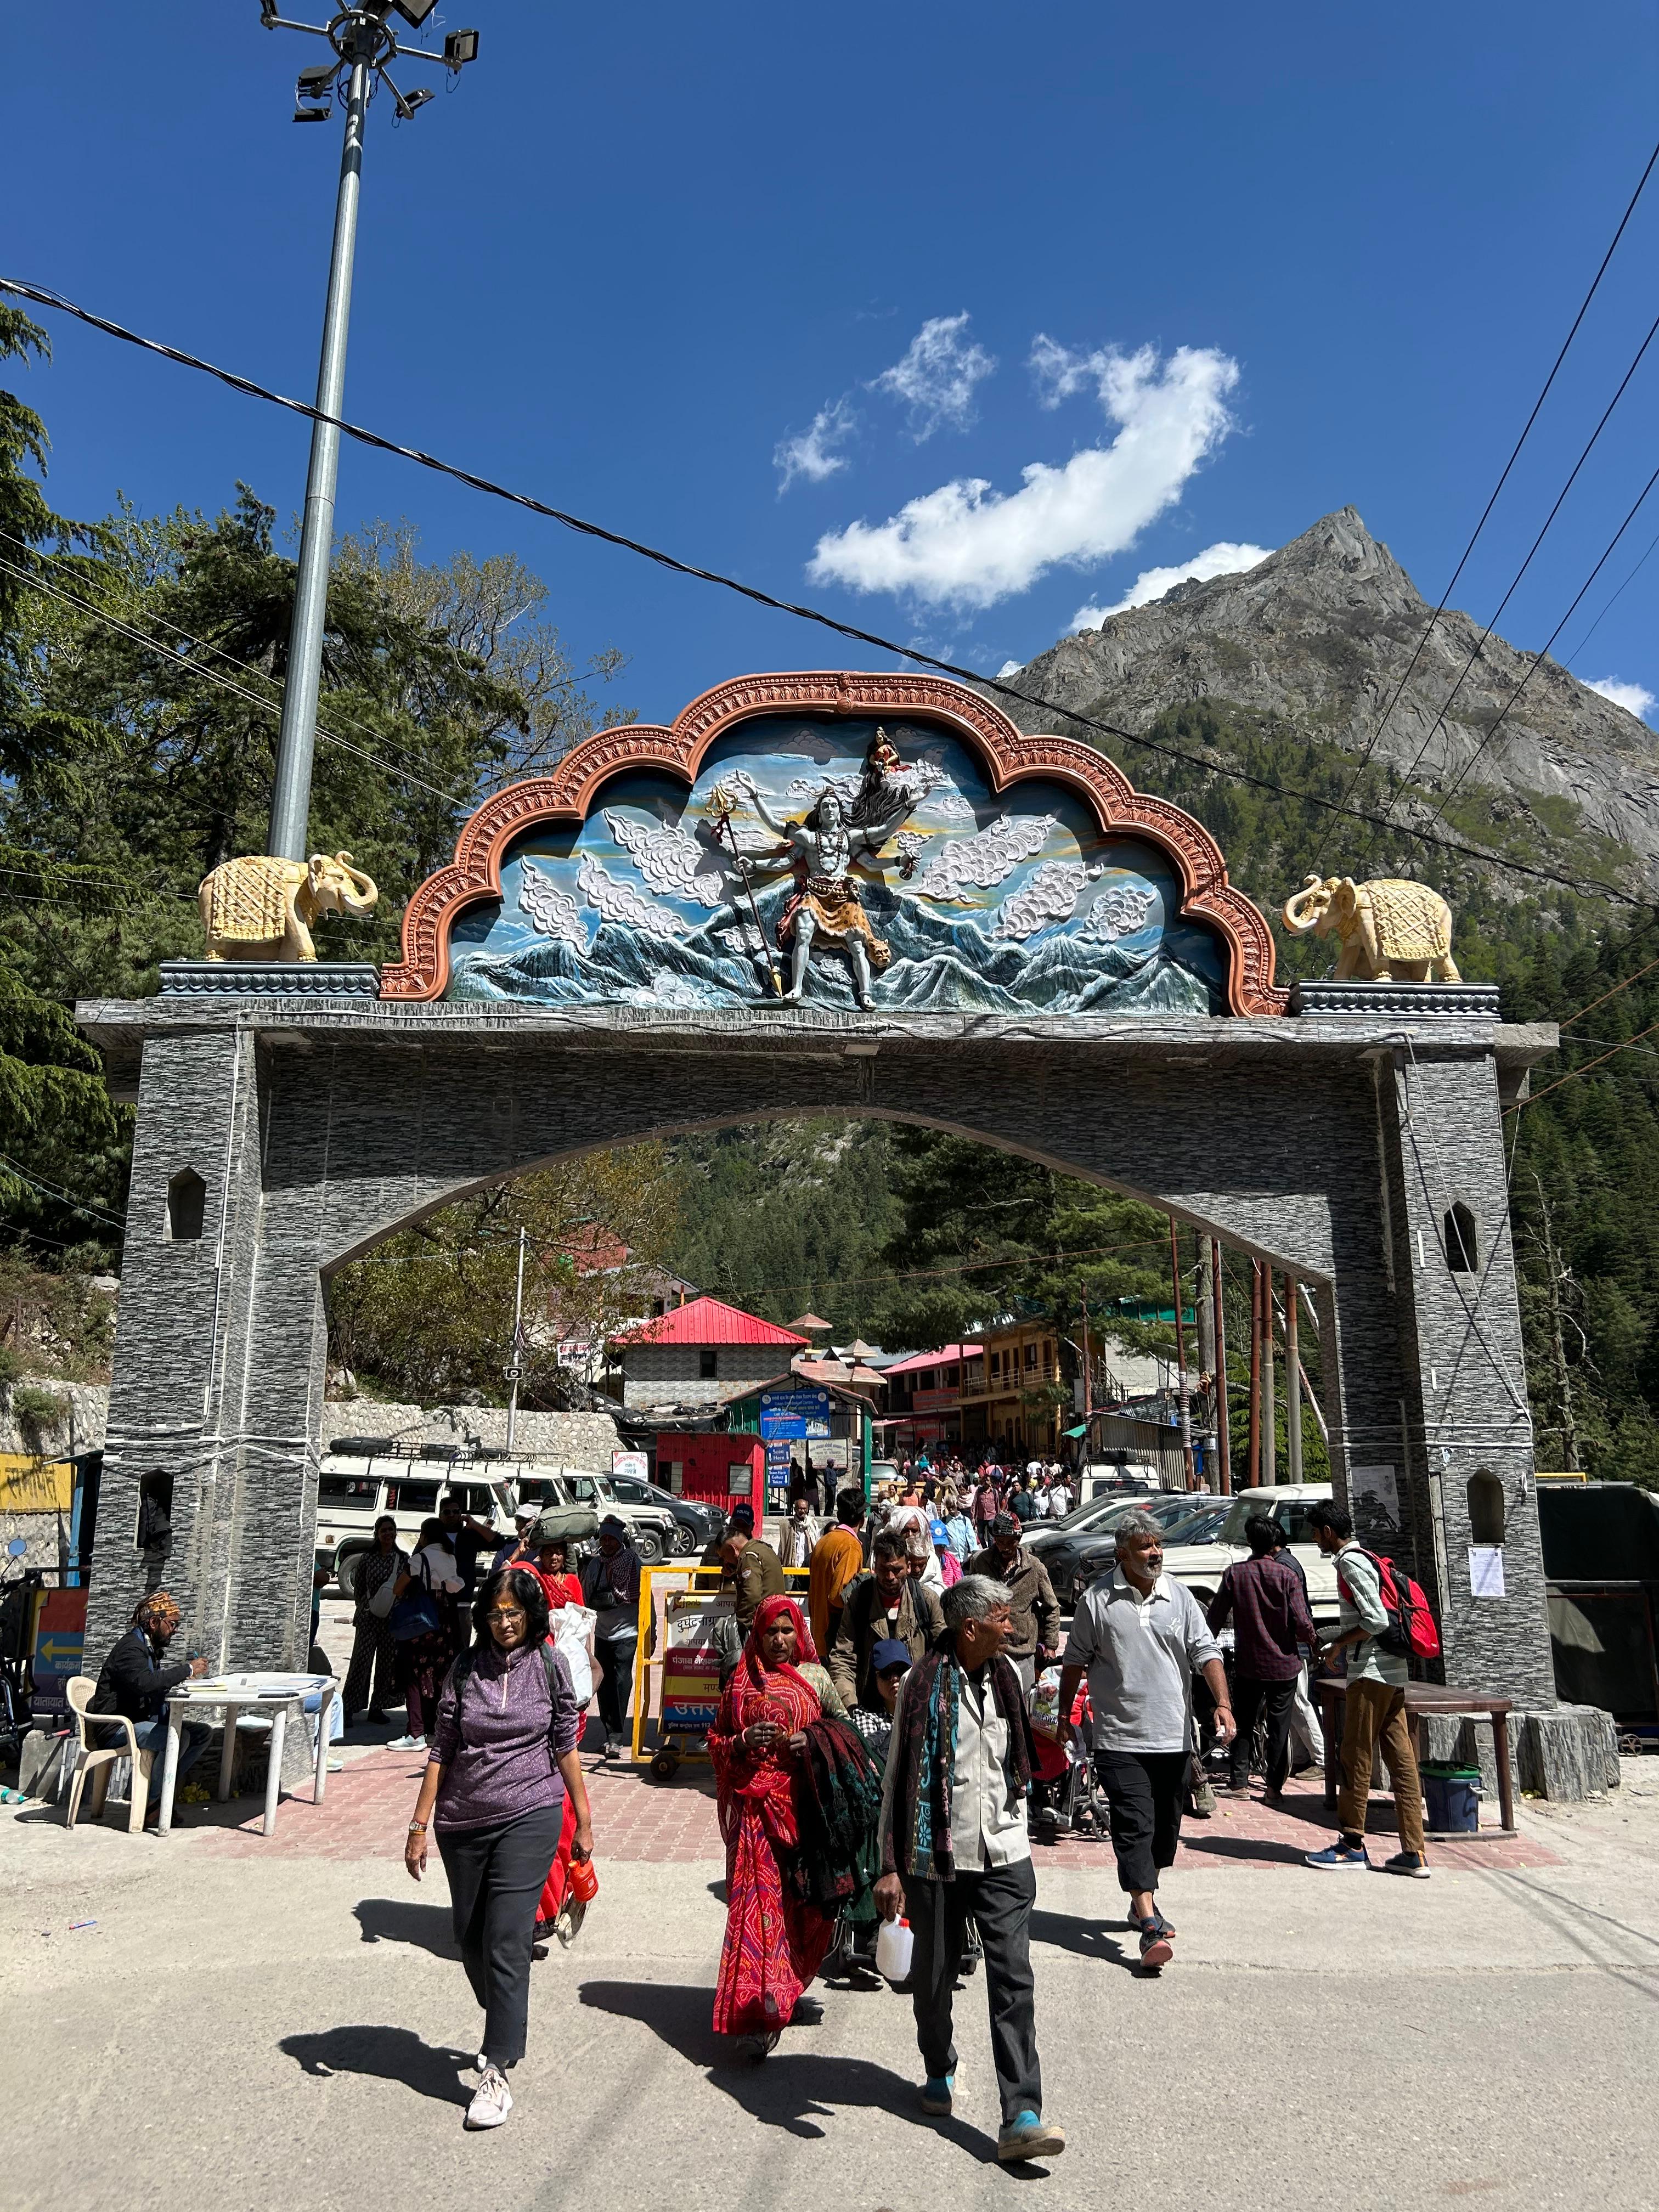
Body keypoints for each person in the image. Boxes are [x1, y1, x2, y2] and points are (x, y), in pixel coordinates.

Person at [875, 1576, 1065, 2165]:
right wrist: (889, 1866)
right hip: (938, 1856)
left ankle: (1022, 2113)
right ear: (971, 1627)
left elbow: (1031, 1753)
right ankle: (939, 2064)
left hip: (1005, 1852)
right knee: (932, 1980)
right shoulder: (920, 1685)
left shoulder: (1012, 1677)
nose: (1014, 1626)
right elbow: (897, 1778)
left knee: (1013, 1977)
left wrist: (1051, 1726)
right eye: (1003, 1618)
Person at [405, 1566, 592, 2130]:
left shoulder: (549, 1666)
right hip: (462, 1822)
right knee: (470, 1939)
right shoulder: (465, 1670)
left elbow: (564, 1746)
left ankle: (498, 2069)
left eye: (514, 1613)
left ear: (531, 1615)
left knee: (508, 1939)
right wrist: (419, 1824)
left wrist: (584, 1820)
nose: (505, 1622)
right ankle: (507, 2016)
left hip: (531, 1813)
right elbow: (442, 1747)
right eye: (495, 1613)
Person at [1056, 1509, 1235, 1971]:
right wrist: (1063, 1715)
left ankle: (1141, 1900)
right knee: (1134, 1824)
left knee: (1162, 1835)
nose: (1156, 1553)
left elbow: (1206, 1651)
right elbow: (1074, 1662)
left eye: (1158, 1545)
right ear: (1123, 1554)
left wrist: (1223, 1703)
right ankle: (1150, 1924)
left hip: (1174, 1737)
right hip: (1119, 1737)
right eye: (1145, 1547)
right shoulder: (1096, 1602)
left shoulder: (1179, 1596)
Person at [707, 1594, 849, 2057]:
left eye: (789, 1631)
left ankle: (786, 1987)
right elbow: (716, 1738)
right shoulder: (740, 1682)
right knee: (758, 1910)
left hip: (803, 1811)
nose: (781, 1640)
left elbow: (845, 1733)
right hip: (755, 1811)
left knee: (803, 1909)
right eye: (772, 1632)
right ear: (758, 1634)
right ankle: (757, 2013)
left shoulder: (816, 1679)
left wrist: (810, 1740)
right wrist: (742, 1741)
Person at [1303, 1503, 1429, 1877]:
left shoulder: (1350, 1562)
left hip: (1370, 1674)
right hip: (1393, 1674)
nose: (1314, 1539)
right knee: (1402, 1762)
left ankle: (1352, 1843)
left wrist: (1340, 1644)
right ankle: (1414, 1852)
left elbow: (1374, 1619)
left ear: (1327, 1531)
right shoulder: (1369, 1556)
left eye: (1315, 1532)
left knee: (1355, 1755)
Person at [1206, 1515, 1316, 1805]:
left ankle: (1239, 1783)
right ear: (1275, 1543)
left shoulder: (1235, 1574)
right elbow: (1303, 1624)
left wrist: (1203, 1648)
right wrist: (1312, 1641)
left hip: (1248, 1664)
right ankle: (1273, 1790)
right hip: (1284, 1665)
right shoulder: (1287, 1576)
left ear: (1250, 1542)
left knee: (1242, 1720)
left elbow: (1214, 1618)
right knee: (1279, 1727)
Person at [89, 1592, 210, 1822]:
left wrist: (178, 1680)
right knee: (176, 1739)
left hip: (139, 1721)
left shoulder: (148, 1647)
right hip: (117, 1727)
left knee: (201, 1734)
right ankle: (151, 1803)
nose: (174, 1630)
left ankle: (156, 1791)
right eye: (172, 1624)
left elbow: (151, 1683)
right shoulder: (130, 1649)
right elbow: (145, 1684)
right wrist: (187, 1669)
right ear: (154, 1622)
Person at [828, 1530, 945, 1712]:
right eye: (884, 1570)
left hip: (916, 1706)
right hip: (868, 1707)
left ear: (908, 1566)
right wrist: (850, 1706)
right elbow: (843, 1657)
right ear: (875, 1566)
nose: (890, 1577)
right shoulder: (859, 1600)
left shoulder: (927, 1601)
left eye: (896, 1570)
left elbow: (943, 1656)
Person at [388, 1517, 466, 1752]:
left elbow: (397, 1588)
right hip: (445, 1624)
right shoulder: (450, 1557)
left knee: (414, 1676)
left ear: (424, 1536)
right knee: (439, 1676)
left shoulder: (418, 1559)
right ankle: (433, 1729)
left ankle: (415, 1732)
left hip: (421, 1625)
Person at [966, 1513, 1061, 1692]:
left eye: (1011, 1542)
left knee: (1022, 1707)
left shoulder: (1034, 1567)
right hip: (989, 1650)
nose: (1005, 1547)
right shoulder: (980, 1562)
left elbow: (1051, 1607)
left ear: (1019, 1539)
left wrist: (1051, 1645)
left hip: (1022, 1653)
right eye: (1000, 1542)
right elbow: (971, 1601)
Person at [579, 1517, 642, 1759]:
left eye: (611, 1539)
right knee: (603, 1684)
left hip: (627, 1632)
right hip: (602, 1632)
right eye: (603, 1538)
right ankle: (608, 1735)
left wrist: (652, 1631)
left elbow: (644, 1596)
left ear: (620, 1539)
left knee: (621, 1682)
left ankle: (617, 1735)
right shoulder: (595, 1565)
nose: (606, 1543)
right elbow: (585, 1597)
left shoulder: (633, 1563)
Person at [700, 1503, 786, 1672]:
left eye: (725, 1556)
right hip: (774, 1621)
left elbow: (752, 1595)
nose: (726, 1561)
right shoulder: (761, 1549)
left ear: (732, 1548)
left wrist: (742, 1625)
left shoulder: (748, 1557)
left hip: (763, 1626)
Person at [342, 1515, 409, 1728]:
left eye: (391, 1530)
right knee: (360, 1664)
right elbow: (359, 1588)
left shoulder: (403, 1559)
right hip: (368, 1619)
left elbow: (406, 1589)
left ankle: (377, 1707)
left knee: (386, 1665)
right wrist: (365, 1608)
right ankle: (349, 1708)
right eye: (384, 1531)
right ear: (377, 1534)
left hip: (391, 1621)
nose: (388, 1534)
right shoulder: (367, 1559)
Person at [1271, 1523, 1325, 1772]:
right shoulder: (1287, 1561)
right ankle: (1303, 1757)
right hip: (1295, 1641)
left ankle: (1323, 1760)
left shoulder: (1284, 1565)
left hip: (1295, 1643)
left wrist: (1309, 1640)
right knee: (1292, 1703)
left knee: (1299, 1701)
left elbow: (1296, 1612)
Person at [808, 1487, 867, 1658]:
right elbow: (839, 1597)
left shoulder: (824, 1541)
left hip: (819, 1631)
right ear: (862, 1519)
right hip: (836, 1638)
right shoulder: (850, 1545)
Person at [437, 1490, 496, 1598]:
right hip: (439, 1592)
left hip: (464, 1592)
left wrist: (475, 1525)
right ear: (440, 1515)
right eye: (447, 1512)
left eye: (455, 1512)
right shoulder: (433, 1535)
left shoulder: (470, 1536)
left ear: (461, 1514)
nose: (451, 1515)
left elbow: (497, 1543)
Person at [778, 1490, 818, 1572]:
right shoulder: (788, 1525)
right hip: (792, 1567)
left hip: (808, 1566)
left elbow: (817, 1543)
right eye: (800, 1509)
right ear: (795, 1509)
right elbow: (782, 1547)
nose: (803, 1511)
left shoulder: (812, 1524)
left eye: (805, 1509)